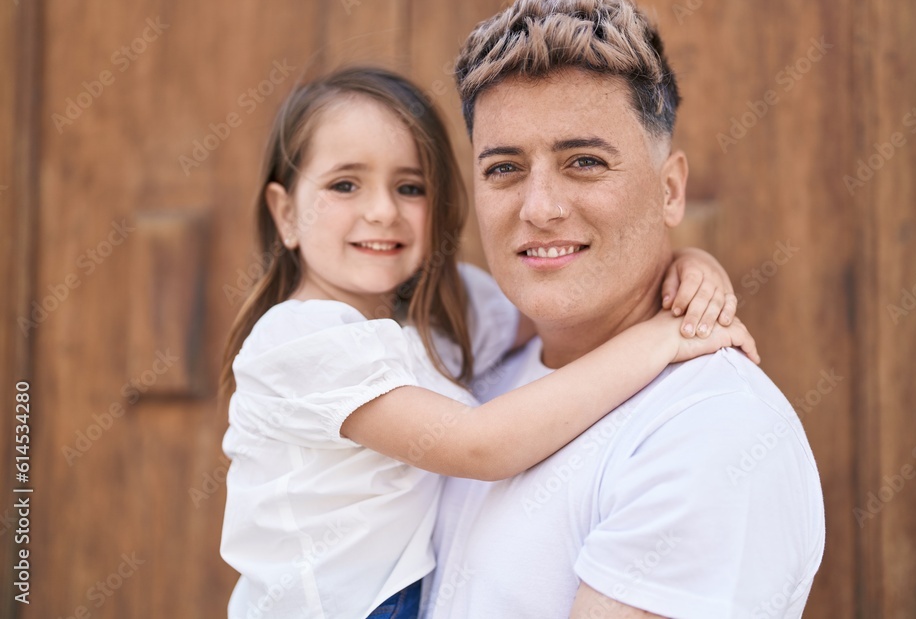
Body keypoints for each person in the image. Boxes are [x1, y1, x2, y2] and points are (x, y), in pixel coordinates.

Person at [217, 67, 756, 619]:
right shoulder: (299, 340)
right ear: (286, 214)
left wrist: (689, 265)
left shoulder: (447, 310)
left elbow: (564, 301)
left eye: (410, 187)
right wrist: (659, 340)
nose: (382, 211)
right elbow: (481, 446)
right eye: (344, 185)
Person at [424, 0, 826, 619]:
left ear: (671, 191)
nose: (540, 208)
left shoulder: (712, 429)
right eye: (504, 168)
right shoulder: (475, 370)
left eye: (584, 161)